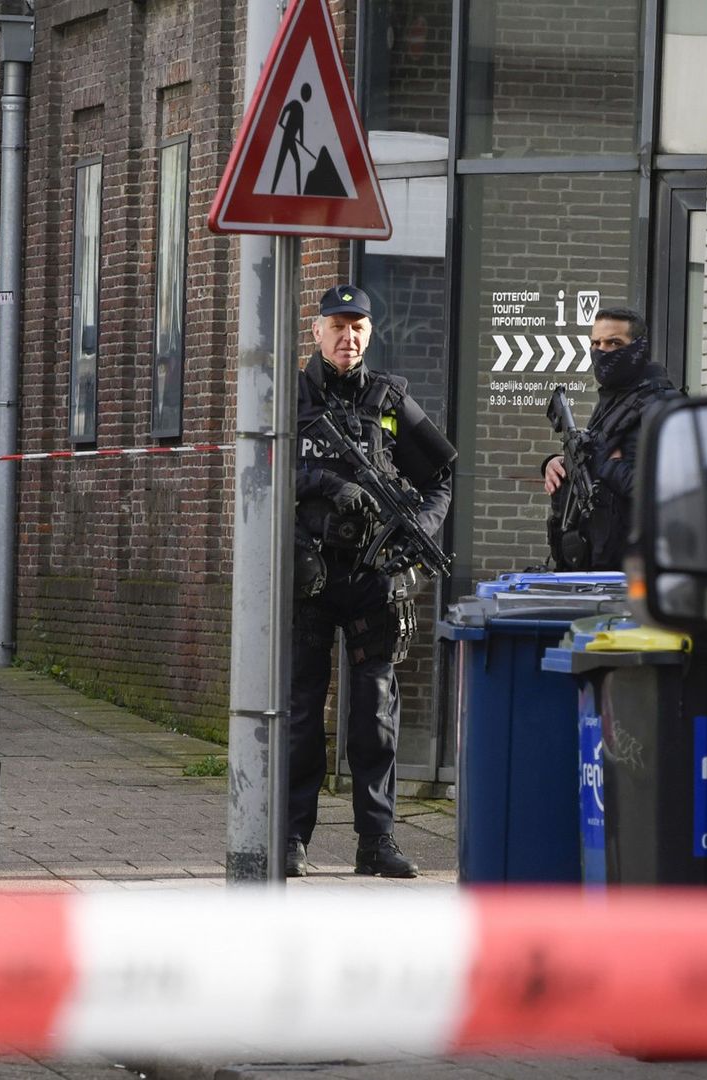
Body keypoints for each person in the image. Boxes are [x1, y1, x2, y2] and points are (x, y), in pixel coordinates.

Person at [289, 284, 455, 878]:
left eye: (357, 327)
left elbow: (440, 475)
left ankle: (376, 841)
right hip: (308, 573)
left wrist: (418, 527)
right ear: (317, 331)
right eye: (337, 325)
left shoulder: (389, 397)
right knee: (301, 712)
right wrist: (330, 486)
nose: (347, 336)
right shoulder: (290, 396)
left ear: (368, 334)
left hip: (372, 575)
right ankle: (291, 837)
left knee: (375, 712)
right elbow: (264, 465)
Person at [541, 307, 683, 570]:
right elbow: (594, 456)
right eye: (596, 343)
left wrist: (609, 466)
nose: (602, 350)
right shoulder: (614, 401)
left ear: (639, 348)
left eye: (614, 343)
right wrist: (557, 463)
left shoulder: (661, 406)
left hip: (631, 574)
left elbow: (671, 494)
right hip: (592, 566)